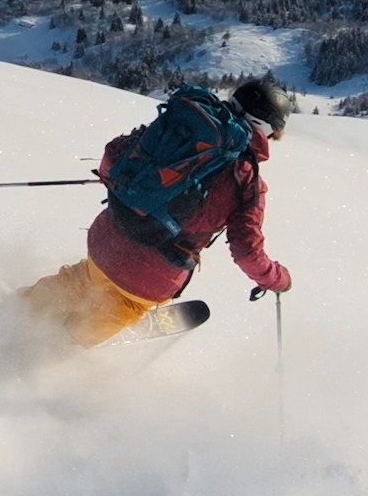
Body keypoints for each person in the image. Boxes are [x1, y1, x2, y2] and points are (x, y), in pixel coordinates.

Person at [21, 79, 294, 347]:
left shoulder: (181, 127)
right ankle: (49, 352)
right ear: (267, 130)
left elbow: (111, 160)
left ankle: (12, 311)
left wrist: (136, 184)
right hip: (148, 280)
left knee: (80, 280)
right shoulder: (246, 180)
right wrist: (277, 279)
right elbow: (247, 252)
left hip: (106, 241)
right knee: (101, 319)